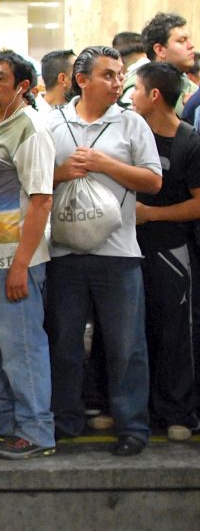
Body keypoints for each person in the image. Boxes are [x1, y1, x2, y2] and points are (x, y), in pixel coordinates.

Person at [45, 45, 162, 457]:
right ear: (81, 80)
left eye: (120, 75)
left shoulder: (131, 123)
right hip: (63, 253)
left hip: (119, 254)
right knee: (64, 343)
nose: (118, 83)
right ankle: (64, 420)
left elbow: (153, 181)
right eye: (108, 75)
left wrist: (103, 164)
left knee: (126, 345)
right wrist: (63, 173)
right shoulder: (52, 121)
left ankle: (132, 426)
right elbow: (35, 181)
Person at [0, 50, 56, 459]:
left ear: (22, 86)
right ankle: (2, 414)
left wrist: (21, 263)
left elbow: (40, 201)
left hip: (16, 259)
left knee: (22, 346)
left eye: (0, 78)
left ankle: (37, 430)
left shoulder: (30, 129)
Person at [130, 60, 200, 441]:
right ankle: (131, 407)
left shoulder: (189, 142)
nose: (130, 97)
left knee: (174, 335)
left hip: (172, 252)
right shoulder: (131, 135)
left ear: (155, 95)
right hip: (127, 252)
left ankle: (177, 411)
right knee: (130, 333)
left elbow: (198, 203)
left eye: (136, 90)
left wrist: (151, 215)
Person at [121, 13, 197, 114]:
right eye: (181, 41)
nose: (191, 46)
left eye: (189, 40)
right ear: (160, 50)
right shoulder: (137, 88)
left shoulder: (192, 89)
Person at [36, 49, 75, 118]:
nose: (83, 78)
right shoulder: (34, 116)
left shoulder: (78, 112)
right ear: (63, 79)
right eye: (77, 71)